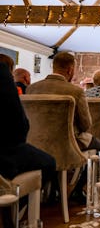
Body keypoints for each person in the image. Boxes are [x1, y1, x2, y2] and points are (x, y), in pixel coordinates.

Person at [0, 58, 56, 226]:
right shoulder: (2, 75)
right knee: (49, 162)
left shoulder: (33, 90)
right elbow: (19, 128)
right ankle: (15, 210)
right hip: (5, 153)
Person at [26, 52, 100, 153]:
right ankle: (84, 167)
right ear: (70, 70)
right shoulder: (76, 91)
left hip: (35, 141)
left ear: (53, 67)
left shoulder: (31, 89)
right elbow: (85, 125)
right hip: (67, 142)